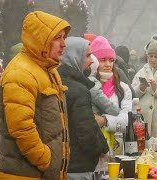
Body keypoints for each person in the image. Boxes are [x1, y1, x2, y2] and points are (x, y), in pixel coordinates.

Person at [0, 11, 71, 180]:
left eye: (63, 38)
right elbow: (21, 127)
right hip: (23, 175)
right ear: (41, 40)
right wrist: (45, 160)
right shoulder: (21, 72)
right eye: (57, 38)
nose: (63, 44)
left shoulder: (48, 71)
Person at [57, 37, 109, 180]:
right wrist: (102, 148)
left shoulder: (58, 82)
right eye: (87, 56)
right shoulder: (78, 90)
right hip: (78, 165)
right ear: (74, 57)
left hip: (62, 161)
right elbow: (86, 130)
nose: (92, 60)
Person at [90, 35, 132, 151]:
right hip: (92, 149)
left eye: (111, 60)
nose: (108, 64)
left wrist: (104, 120)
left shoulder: (123, 89)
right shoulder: (87, 85)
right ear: (93, 62)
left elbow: (127, 121)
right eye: (103, 60)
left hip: (117, 148)